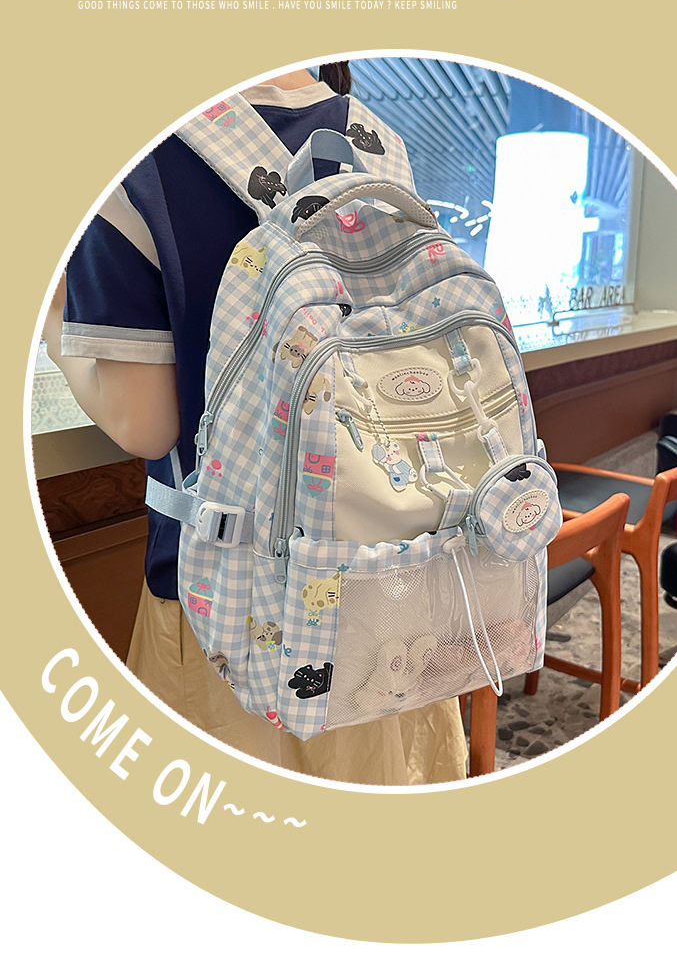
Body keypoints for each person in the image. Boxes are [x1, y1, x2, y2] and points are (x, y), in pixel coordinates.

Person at [42, 63, 468, 785]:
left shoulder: (138, 161)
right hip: (389, 575)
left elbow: (146, 424)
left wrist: (54, 317)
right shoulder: (377, 142)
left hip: (231, 611)